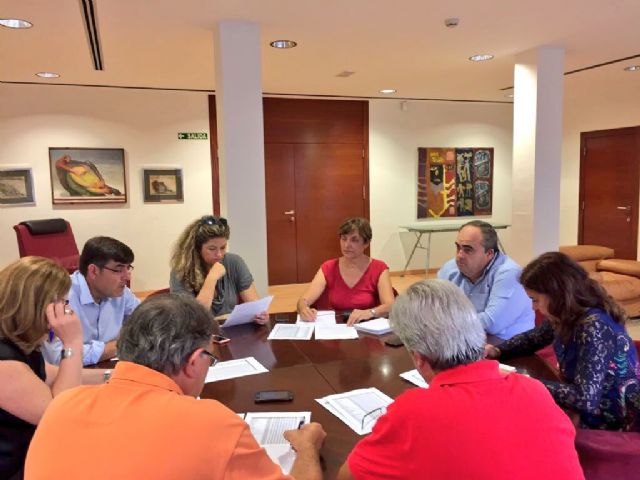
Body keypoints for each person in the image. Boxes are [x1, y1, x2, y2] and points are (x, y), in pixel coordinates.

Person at [25, 294, 326, 480]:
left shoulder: (61, 406)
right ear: (194, 361)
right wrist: (307, 448)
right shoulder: (211, 423)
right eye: (210, 359)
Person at [337, 279, 584, 480]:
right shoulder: (535, 390)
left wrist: (313, 447)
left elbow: (348, 476)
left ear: (419, 358)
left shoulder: (413, 411)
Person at [485, 251, 640, 431]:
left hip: (611, 419)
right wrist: (497, 350)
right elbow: (534, 338)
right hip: (583, 403)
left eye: (535, 300)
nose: (533, 307)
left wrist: (523, 382)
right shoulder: (566, 314)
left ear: (557, 295)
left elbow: (584, 399)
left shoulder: (594, 326)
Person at [0, 257, 105, 480]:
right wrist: (72, 342)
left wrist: (118, 375)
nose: (67, 310)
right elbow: (59, 414)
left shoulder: (21, 345)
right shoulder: (4, 364)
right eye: (63, 303)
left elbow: (57, 375)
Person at [42, 236, 140, 366]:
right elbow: (58, 356)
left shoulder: (121, 292)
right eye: (118, 270)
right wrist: (118, 346)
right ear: (93, 271)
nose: (127, 276)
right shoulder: (60, 296)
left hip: (107, 368)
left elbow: (148, 321)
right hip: (69, 374)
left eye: (128, 268)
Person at [437, 220, 533, 339]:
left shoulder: (510, 274)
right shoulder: (450, 268)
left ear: (489, 254)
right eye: (458, 247)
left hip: (507, 344)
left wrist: (446, 323)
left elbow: (492, 324)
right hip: (464, 339)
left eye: (468, 250)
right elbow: (435, 310)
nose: (459, 255)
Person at [170, 215, 269, 324]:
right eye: (212, 249)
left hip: (231, 330)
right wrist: (212, 278)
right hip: (199, 332)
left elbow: (254, 305)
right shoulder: (181, 271)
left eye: (223, 247)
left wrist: (260, 315)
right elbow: (195, 318)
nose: (219, 254)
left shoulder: (234, 262)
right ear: (197, 248)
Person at [297, 217, 395, 326]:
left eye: (354, 240)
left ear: (366, 243)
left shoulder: (379, 268)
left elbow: (390, 305)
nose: (347, 245)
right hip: (337, 328)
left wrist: (370, 312)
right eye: (344, 239)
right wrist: (303, 308)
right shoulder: (328, 267)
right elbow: (304, 300)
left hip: (367, 327)